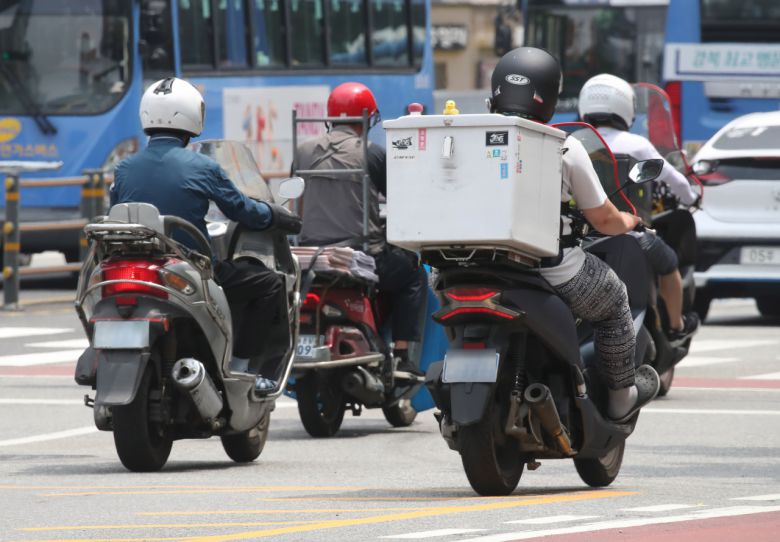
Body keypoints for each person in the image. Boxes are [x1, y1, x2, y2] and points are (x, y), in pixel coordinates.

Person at [489, 47, 660, 422]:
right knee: (615, 301)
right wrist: (630, 222)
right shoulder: (564, 145)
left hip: (460, 270)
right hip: (550, 271)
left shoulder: (470, 136)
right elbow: (604, 220)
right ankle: (620, 399)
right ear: (549, 99)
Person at [110, 77, 289, 393]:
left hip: (137, 267)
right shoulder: (202, 166)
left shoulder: (125, 168)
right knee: (268, 283)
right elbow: (243, 211)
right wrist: (274, 214)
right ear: (191, 115)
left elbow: (117, 213)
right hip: (190, 269)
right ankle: (243, 369)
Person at [296, 82, 427, 375]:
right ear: (366, 118)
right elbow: (401, 198)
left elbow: (301, 202)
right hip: (360, 255)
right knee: (412, 273)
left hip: (312, 255)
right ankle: (404, 354)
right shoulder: (371, 153)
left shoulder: (303, 150)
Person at [578, 73, 700, 343]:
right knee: (669, 263)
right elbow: (675, 180)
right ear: (625, 107)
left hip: (577, 234)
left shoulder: (574, 141)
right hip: (629, 232)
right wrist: (691, 198)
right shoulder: (636, 144)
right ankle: (677, 324)